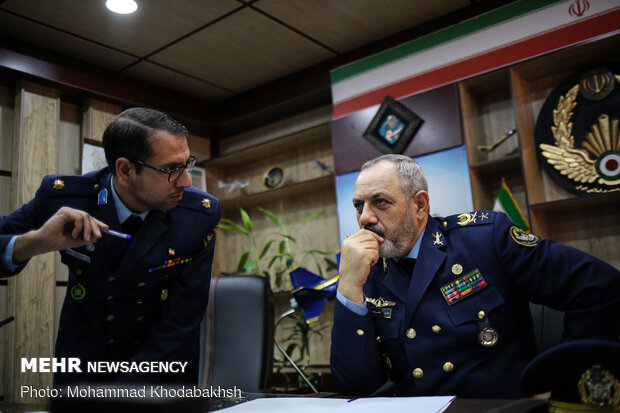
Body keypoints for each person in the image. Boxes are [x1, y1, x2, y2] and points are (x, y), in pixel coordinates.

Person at [330, 154, 620, 398]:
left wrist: (566, 378)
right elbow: (356, 387)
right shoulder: (368, 271)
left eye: (380, 202)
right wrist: (348, 287)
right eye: (359, 205)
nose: (365, 217)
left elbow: (600, 287)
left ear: (419, 205)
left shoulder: (485, 239)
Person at [0, 108, 221, 385]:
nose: (186, 181)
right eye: (171, 170)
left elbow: (180, 321)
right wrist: (31, 243)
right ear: (125, 170)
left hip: (161, 370)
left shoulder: (198, 215)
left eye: (186, 164)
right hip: (83, 367)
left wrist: (120, 397)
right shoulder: (67, 198)